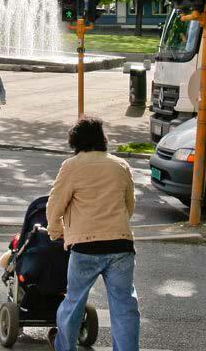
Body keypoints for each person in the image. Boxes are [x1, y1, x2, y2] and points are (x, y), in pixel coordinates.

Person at [45, 116, 140, 351]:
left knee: (74, 302)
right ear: (102, 139)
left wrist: (56, 232)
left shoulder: (72, 166)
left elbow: (54, 205)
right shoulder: (120, 165)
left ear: (75, 141)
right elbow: (130, 204)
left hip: (85, 247)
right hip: (120, 245)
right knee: (125, 306)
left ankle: (64, 347)